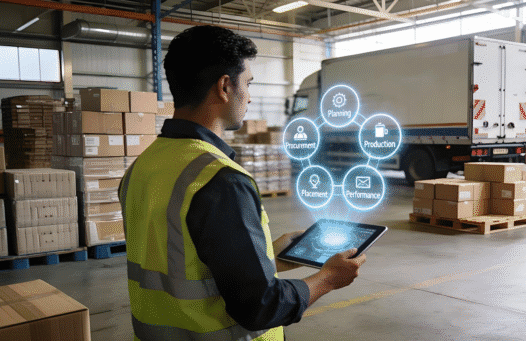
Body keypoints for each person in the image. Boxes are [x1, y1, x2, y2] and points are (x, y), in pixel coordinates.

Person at [120, 25, 367, 341]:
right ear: (224, 86)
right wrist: (328, 278)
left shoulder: (144, 166)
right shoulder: (220, 180)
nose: (249, 96)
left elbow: (190, 261)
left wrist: (274, 252)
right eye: (248, 83)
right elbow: (260, 307)